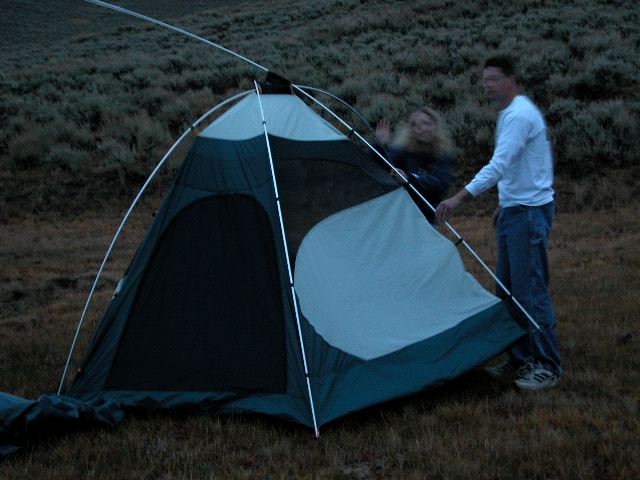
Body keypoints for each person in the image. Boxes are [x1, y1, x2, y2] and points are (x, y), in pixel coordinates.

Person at [435, 56, 561, 390]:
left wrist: (459, 197)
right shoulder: (513, 114)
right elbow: (534, 159)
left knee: (530, 292)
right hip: (517, 210)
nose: (487, 84)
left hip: (528, 215)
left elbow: (500, 164)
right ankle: (520, 358)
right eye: (484, 79)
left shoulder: (519, 115)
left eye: (493, 78)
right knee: (507, 290)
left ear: (511, 80)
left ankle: (548, 365)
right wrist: (505, 203)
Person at [376, 108, 453, 223]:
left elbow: (440, 184)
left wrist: (409, 178)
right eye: (414, 125)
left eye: (426, 123)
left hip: (425, 219)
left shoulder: (442, 155)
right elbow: (382, 166)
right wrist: (380, 146)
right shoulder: (403, 151)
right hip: (399, 216)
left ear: (435, 126)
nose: (421, 128)